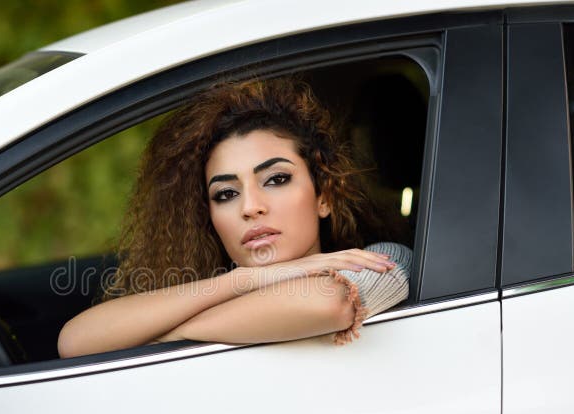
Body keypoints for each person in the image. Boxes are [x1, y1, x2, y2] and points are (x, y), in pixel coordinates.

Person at [58, 77, 412, 359]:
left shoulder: (384, 258)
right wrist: (244, 280)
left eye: (276, 179)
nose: (250, 207)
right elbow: (75, 341)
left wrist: (167, 336)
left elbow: (328, 303)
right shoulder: (216, 290)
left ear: (324, 196)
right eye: (226, 194)